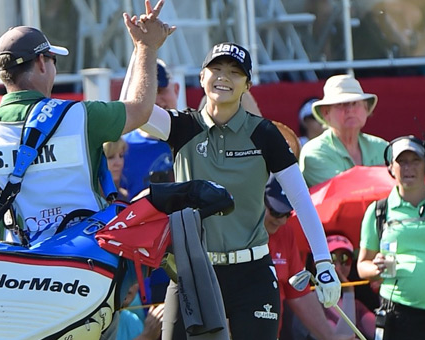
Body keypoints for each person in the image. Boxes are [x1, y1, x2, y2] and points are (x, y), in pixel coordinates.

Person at [129, 42, 340, 340]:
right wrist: (144, 49)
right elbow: (138, 109)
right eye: (216, 69)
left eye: (234, 72)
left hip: (252, 273)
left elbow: (301, 199)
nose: (224, 77)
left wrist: (323, 261)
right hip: (193, 272)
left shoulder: (264, 132)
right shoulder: (182, 126)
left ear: (248, 85)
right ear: (201, 77)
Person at [0, 0, 175, 244]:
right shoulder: (80, 116)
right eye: (52, 60)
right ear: (40, 63)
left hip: (21, 271)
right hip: (86, 265)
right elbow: (141, 110)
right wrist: (146, 47)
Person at [357, 136, 425, 340]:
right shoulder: (378, 211)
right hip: (398, 314)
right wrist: (377, 268)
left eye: (415, 160)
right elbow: (363, 265)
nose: (409, 168)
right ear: (391, 167)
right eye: (402, 161)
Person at [264, 177, 354, 340]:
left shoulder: (286, 233)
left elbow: (299, 295)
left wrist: (329, 337)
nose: (282, 221)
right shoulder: (237, 233)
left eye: (287, 213)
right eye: (276, 211)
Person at [299, 74, 388, 187]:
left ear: (366, 108)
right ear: (326, 113)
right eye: (341, 104)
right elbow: (342, 190)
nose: (350, 110)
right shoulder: (314, 152)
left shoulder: (382, 147)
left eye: (355, 103)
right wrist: (383, 173)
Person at [121, 59, 176, 201]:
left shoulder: (197, 137)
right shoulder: (120, 149)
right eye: (147, 92)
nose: (155, 100)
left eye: (160, 90)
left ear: (176, 89)